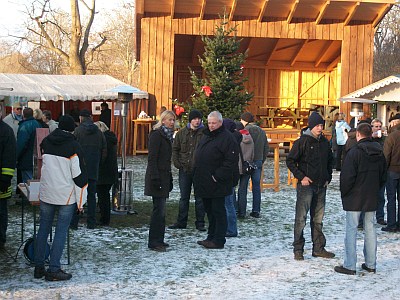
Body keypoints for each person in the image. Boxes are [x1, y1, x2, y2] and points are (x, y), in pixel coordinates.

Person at [34, 115, 88, 281]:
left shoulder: (46, 142)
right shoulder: (74, 146)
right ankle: (54, 269)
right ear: (72, 129)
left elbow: (42, 165)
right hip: (65, 195)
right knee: (60, 231)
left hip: (47, 192)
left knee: (43, 229)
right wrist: (81, 200)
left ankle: (39, 266)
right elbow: (78, 176)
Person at [334, 123, 386, 275]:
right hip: (371, 195)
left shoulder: (354, 152)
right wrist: (376, 190)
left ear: (358, 134)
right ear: (371, 134)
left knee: (352, 230)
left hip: (354, 196)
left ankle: (350, 265)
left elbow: (347, 177)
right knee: (370, 229)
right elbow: (383, 175)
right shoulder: (379, 152)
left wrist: (345, 193)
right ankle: (371, 263)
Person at [286, 111, 335, 261]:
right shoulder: (302, 142)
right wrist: (301, 177)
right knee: (301, 219)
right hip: (306, 186)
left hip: (321, 186)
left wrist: (328, 177)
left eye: (321, 125)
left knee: (318, 219)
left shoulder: (325, 142)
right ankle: (298, 249)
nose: (320, 128)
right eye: (317, 125)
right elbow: (290, 161)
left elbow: (330, 161)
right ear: (311, 126)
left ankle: (318, 248)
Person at [194, 111, 237, 249]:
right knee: (210, 211)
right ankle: (210, 236)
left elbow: (230, 161)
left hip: (217, 182)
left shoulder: (227, 138)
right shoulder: (206, 135)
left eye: (214, 123)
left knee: (218, 211)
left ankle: (218, 240)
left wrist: (217, 176)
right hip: (204, 181)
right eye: (209, 122)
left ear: (220, 123)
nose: (211, 125)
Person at [169, 109, 206, 231]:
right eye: (195, 119)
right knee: (184, 197)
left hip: (199, 170)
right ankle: (181, 221)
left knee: (199, 198)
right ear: (190, 120)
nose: (197, 121)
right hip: (184, 169)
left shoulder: (205, 133)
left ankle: (200, 223)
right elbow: (175, 149)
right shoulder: (181, 133)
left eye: (199, 119)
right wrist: (177, 163)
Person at [144, 110, 176, 252]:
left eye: (173, 120)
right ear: (163, 120)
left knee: (161, 210)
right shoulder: (157, 135)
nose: (172, 122)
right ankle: (154, 241)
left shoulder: (167, 136)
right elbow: (152, 158)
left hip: (163, 176)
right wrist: (155, 177)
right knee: (159, 211)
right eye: (169, 119)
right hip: (157, 178)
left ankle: (159, 239)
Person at [70, 109, 106, 229]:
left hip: (79, 169)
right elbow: (104, 151)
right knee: (91, 196)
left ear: (81, 118)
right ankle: (91, 223)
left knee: (77, 196)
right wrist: (99, 164)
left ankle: (74, 222)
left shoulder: (77, 131)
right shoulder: (99, 133)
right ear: (90, 117)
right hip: (93, 168)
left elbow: (72, 149)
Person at [237, 112, 269, 218]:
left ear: (244, 120)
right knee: (256, 187)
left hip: (247, 162)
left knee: (243, 187)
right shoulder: (262, 131)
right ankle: (256, 210)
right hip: (258, 161)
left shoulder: (245, 131)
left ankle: (241, 211)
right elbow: (266, 148)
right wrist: (261, 160)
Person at [95, 121, 118, 226]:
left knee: (102, 196)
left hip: (103, 172)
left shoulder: (103, 140)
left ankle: (104, 219)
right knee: (105, 196)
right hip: (111, 172)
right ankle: (105, 217)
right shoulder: (111, 139)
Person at [0, 104, 17, 250]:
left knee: (1, 212)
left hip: (1, 183)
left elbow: (9, 157)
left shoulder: (5, 131)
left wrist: (5, 178)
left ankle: (1, 239)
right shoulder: (6, 131)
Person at [222, 118, 241, 238]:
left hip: (229, 175)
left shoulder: (230, 140)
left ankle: (231, 229)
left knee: (228, 204)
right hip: (233, 175)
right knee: (229, 203)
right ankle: (229, 228)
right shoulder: (237, 138)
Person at [382, 113, 400, 232]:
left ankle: (392, 224)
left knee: (391, 198)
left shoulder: (392, 136)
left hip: (392, 171)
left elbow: (386, 156)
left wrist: (383, 170)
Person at [16, 107, 42, 184]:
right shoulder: (38, 124)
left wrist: (16, 156)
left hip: (26, 159)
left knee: (27, 183)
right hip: (36, 158)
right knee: (35, 182)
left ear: (23, 115)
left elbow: (21, 143)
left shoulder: (24, 126)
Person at [371, 119, 387, 226]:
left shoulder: (384, 140)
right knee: (368, 196)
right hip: (371, 172)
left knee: (381, 197)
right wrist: (372, 136)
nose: (378, 128)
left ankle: (380, 217)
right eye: (376, 126)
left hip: (381, 172)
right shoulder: (369, 139)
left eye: (379, 126)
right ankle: (363, 220)